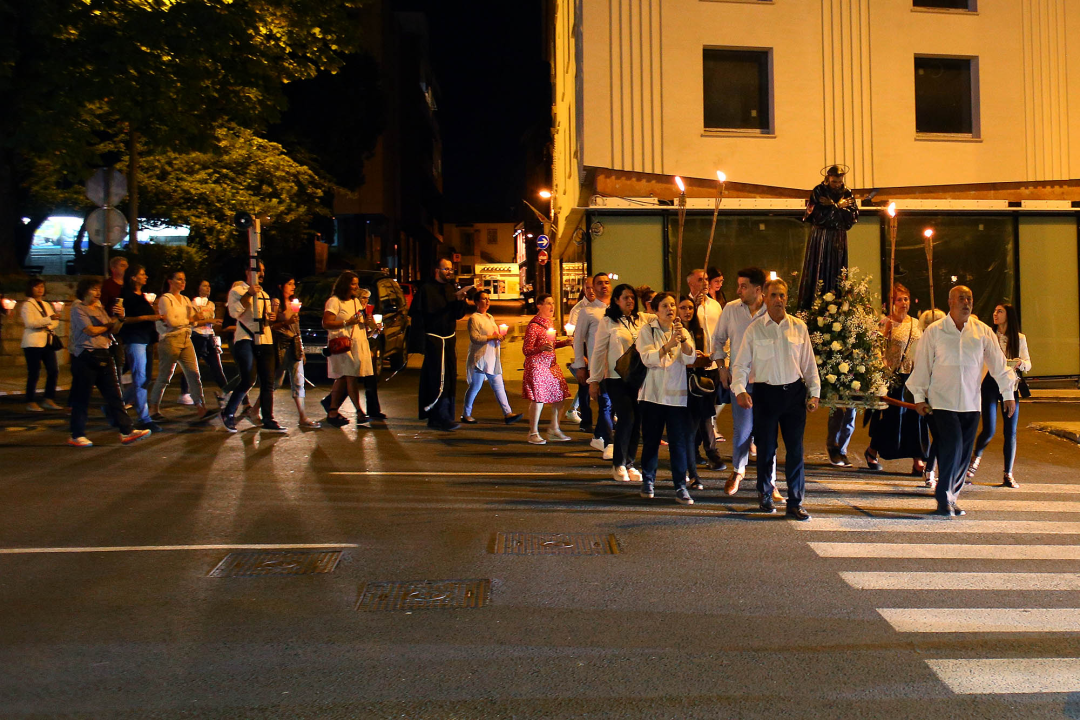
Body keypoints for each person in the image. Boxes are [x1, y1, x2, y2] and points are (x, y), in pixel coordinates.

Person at [907, 286, 1016, 517]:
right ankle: (943, 498)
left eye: (970, 298)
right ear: (950, 302)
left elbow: (998, 365)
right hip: (942, 402)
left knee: (964, 453)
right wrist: (919, 397)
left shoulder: (983, 332)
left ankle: (951, 497)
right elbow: (923, 366)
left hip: (970, 403)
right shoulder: (935, 332)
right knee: (951, 446)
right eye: (961, 298)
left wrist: (1008, 394)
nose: (966, 302)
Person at [731, 278, 821, 520]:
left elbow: (809, 364)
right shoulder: (755, 329)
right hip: (765, 394)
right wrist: (740, 390)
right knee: (767, 449)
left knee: (795, 451)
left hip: (794, 394)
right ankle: (765, 493)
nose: (778, 300)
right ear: (765, 299)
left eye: (782, 295)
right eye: (773, 296)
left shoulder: (799, 327)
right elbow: (740, 364)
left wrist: (814, 393)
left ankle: (795, 501)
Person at [712, 267, 777, 498]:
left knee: (767, 431)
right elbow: (718, 340)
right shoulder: (730, 309)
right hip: (739, 380)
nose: (738, 290)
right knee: (742, 429)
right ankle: (738, 471)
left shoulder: (771, 311)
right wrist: (721, 367)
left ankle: (771, 480)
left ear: (758, 290)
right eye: (738, 285)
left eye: (743, 286)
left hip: (766, 380)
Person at [67, 277, 150, 448]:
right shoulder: (78, 307)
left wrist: (119, 319)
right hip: (85, 356)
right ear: (84, 290)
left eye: (99, 290)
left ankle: (127, 431)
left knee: (115, 395)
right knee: (82, 397)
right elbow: (90, 330)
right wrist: (109, 325)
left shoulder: (99, 307)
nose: (97, 293)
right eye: (93, 289)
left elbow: (114, 329)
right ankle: (77, 434)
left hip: (104, 354)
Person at [636, 292, 697, 504]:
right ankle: (648, 479)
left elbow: (691, 357)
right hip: (652, 394)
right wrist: (670, 344)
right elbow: (647, 358)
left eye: (673, 305)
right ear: (655, 309)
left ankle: (680, 485)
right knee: (651, 439)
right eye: (665, 305)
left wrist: (684, 340)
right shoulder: (647, 330)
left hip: (676, 396)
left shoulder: (681, 330)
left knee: (678, 442)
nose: (670, 309)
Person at [864, 283, 928, 474]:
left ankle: (918, 460)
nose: (903, 303)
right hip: (893, 377)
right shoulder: (886, 322)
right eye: (899, 299)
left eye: (906, 299)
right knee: (892, 419)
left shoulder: (916, 323)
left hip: (913, 377)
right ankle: (872, 450)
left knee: (916, 417)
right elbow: (876, 349)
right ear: (892, 302)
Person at [588, 284, 649, 483]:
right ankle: (618, 464)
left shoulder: (642, 320)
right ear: (616, 300)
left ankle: (630, 462)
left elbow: (663, 313)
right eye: (625, 297)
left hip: (639, 378)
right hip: (615, 378)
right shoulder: (607, 322)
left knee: (638, 420)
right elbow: (598, 352)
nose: (630, 300)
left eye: (632, 297)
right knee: (627, 417)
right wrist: (594, 379)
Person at [968, 303, 1030, 488]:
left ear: (1008, 315)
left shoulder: (1019, 338)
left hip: (1011, 385)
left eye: (999, 311)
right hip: (989, 383)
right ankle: (975, 458)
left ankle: (1008, 474)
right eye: (994, 311)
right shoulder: (989, 335)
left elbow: (1028, 363)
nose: (995, 314)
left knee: (1010, 431)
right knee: (989, 428)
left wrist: (1020, 363)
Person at [221, 261, 285, 433]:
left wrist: (271, 317)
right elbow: (235, 312)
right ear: (248, 271)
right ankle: (229, 412)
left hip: (265, 338)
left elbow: (265, 318)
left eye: (264, 270)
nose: (262, 274)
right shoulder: (238, 291)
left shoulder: (263, 293)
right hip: (245, 338)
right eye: (259, 270)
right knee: (249, 378)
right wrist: (248, 294)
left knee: (268, 381)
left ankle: (268, 418)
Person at [409, 257, 471, 431]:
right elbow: (420, 317)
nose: (449, 272)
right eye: (446, 269)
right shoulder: (426, 290)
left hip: (449, 339)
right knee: (437, 378)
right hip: (434, 340)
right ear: (437, 270)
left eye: (451, 269)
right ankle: (438, 416)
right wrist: (420, 343)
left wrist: (460, 300)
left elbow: (457, 315)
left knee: (449, 376)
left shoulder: (451, 288)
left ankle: (446, 415)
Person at [148, 269, 215, 423]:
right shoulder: (166, 299)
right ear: (170, 282)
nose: (182, 282)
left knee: (193, 373)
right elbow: (171, 322)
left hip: (185, 337)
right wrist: (189, 320)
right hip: (170, 339)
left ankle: (201, 407)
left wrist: (195, 318)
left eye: (184, 279)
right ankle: (153, 409)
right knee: (165, 376)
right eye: (179, 279)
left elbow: (194, 319)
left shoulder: (185, 300)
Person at [323, 273, 381, 428]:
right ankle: (360, 412)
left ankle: (333, 410)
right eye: (354, 284)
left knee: (343, 378)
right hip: (343, 345)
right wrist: (346, 322)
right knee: (351, 377)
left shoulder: (355, 302)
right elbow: (327, 323)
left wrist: (370, 325)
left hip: (355, 345)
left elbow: (358, 323)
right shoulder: (334, 302)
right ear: (345, 285)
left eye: (357, 283)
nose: (357, 287)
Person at [797, 165, 858, 310]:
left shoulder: (847, 193)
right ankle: (815, 303)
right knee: (820, 265)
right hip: (821, 236)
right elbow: (816, 216)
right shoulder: (819, 191)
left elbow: (851, 217)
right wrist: (838, 207)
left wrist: (832, 206)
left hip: (838, 236)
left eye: (839, 181)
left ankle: (836, 305)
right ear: (828, 179)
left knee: (837, 269)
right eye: (834, 182)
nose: (837, 185)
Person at [686, 269, 726, 470]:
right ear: (690, 282)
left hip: (712, 366)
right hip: (693, 367)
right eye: (700, 280)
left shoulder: (715, 306)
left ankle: (698, 450)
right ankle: (710, 452)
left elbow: (721, 336)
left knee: (706, 411)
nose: (704, 283)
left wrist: (722, 362)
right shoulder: (685, 306)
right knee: (700, 413)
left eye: (706, 280)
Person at [462, 291, 522, 424]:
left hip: (492, 357)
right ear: (477, 302)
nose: (487, 301)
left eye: (488, 299)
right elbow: (475, 338)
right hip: (480, 358)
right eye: (484, 299)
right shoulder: (474, 318)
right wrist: (493, 337)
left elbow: (492, 334)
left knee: (499, 386)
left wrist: (499, 337)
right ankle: (466, 414)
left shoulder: (489, 317)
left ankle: (508, 413)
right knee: (475, 386)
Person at [269, 275, 319, 429]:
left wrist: (301, 348)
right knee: (275, 382)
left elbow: (296, 329)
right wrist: (285, 322)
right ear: (280, 286)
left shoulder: (293, 303)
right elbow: (270, 326)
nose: (293, 287)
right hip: (281, 344)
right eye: (289, 284)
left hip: (294, 344)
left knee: (298, 381)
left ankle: (303, 416)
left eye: (293, 284)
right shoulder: (276, 303)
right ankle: (258, 410)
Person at [522, 294, 573, 444]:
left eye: (553, 303)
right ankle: (533, 432)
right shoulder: (534, 326)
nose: (552, 307)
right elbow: (526, 350)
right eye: (548, 303)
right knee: (539, 399)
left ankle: (554, 428)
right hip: (538, 365)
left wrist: (565, 343)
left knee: (560, 396)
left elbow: (552, 344)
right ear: (539, 305)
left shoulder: (549, 323)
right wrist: (540, 348)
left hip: (550, 365)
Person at [572, 273, 614, 455]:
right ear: (593, 288)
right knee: (605, 403)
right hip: (598, 366)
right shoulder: (586, 311)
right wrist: (580, 365)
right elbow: (578, 339)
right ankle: (609, 443)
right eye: (599, 283)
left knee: (614, 405)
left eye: (606, 282)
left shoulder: (617, 309)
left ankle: (598, 436)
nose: (603, 286)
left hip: (618, 366)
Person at [118, 264, 163, 432]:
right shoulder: (126, 296)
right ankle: (144, 418)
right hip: (134, 339)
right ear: (133, 277)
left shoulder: (142, 296)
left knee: (145, 379)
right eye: (142, 274)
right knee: (139, 378)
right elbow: (123, 319)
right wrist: (147, 317)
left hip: (147, 339)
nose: (146, 277)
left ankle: (116, 406)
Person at [679, 295, 718, 490]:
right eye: (683, 308)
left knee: (694, 429)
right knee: (684, 432)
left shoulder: (698, 331)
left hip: (696, 384)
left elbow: (701, 357)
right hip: (678, 384)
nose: (687, 311)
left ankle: (692, 471)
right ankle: (689, 472)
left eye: (690, 308)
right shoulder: (673, 331)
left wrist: (705, 357)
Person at [20, 278, 61, 412]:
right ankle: (30, 400)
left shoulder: (46, 304)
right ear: (30, 289)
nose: (40, 289)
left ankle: (48, 398)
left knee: (53, 370)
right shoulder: (27, 305)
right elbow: (30, 323)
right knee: (34, 372)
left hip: (47, 341)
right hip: (33, 342)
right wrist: (48, 320)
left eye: (42, 286)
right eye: (37, 287)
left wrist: (49, 321)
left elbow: (55, 322)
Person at [190, 280, 230, 402]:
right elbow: (193, 322)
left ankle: (227, 391)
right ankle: (185, 392)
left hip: (209, 336)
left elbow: (212, 321)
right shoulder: (193, 303)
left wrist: (214, 323)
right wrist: (208, 320)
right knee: (192, 367)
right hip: (197, 336)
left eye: (209, 286)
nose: (208, 288)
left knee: (216, 366)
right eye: (204, 286)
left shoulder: (211, 304)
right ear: (198, 288)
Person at [563, 285, 595, 424]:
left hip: (598, 349)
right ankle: (576, 411)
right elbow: (575, 336)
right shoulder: (578, 309)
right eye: (588, 287)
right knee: (585, 383)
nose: (592, 290)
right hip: (585, 348)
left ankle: (611, 412)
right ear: (584, 289)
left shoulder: (602, 305)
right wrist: (580, 356)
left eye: (594, 287)